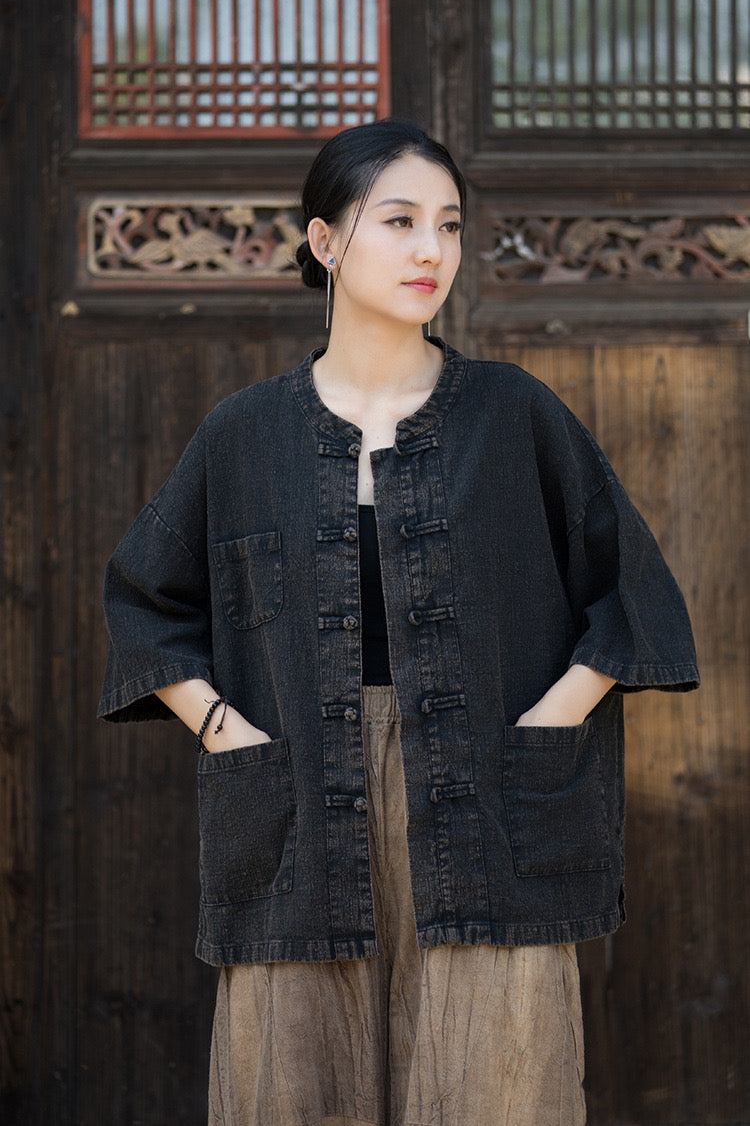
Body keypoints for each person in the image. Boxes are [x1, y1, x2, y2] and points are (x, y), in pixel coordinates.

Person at [99, 119, 699, 1126]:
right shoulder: (245, 433)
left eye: (450, 225)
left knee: (498, 1080)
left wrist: (554, 714)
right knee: (293, 1082)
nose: (433, 250)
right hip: (295, 803)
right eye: (401, 221)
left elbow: (633, 590)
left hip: (490, 794)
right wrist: (223, 728)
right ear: (326, 241)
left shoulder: (513, 413)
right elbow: (143, 600)